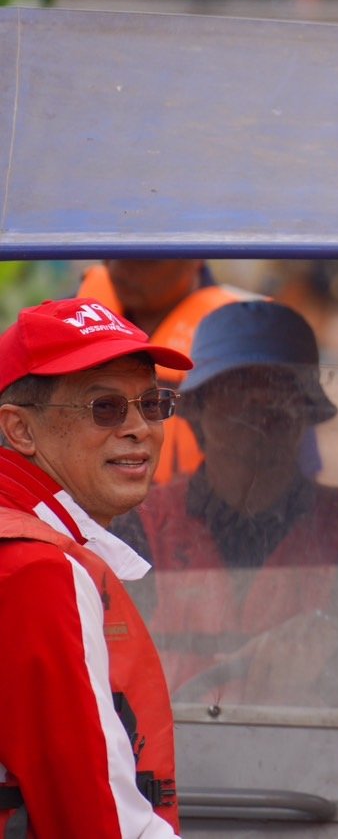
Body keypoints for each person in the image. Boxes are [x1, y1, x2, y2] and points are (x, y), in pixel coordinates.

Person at [113, 300, 338, 703]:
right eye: (237, 391)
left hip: (311, 763)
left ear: (304, 413)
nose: (258, 410)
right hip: (166, 764)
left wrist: (323, 675)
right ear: (198, 413)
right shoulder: (135, 535)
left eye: (277, 391)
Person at [0, 298, 189, 836]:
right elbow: (98, 820)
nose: (139, 429)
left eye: (151, 404)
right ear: (20, 430)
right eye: (104, 408)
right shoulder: (39, 571)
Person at [79, 258, 255, 480]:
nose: (118, 267)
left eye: (145, 258)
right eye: (109, 253)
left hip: (200, 507)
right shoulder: (69, 316)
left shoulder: (248, 340)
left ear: (196, 259)